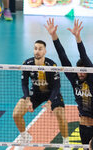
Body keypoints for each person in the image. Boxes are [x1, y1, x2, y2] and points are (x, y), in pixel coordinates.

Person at [13, 40, 70, 150]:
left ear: (45, 51)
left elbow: (57, 87)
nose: (37, 51)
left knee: (60, 115)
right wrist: (28, 99)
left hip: (51, 93)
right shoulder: (27, 64)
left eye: (40, 49)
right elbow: (24, 83)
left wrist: (50, 102)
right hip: (35, 93)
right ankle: (25, 137)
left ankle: (66, 142)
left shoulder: (51, 65)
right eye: (35, 48)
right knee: (16, 114)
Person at [45, 18, 93, 146]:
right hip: (83, 126)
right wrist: (54, 36)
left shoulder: (91, 79)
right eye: (79, 71)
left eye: (84, 71)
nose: (81, 73)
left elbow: (84, 56)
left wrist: (78, 37)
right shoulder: (74, 79)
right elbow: (63, 56)